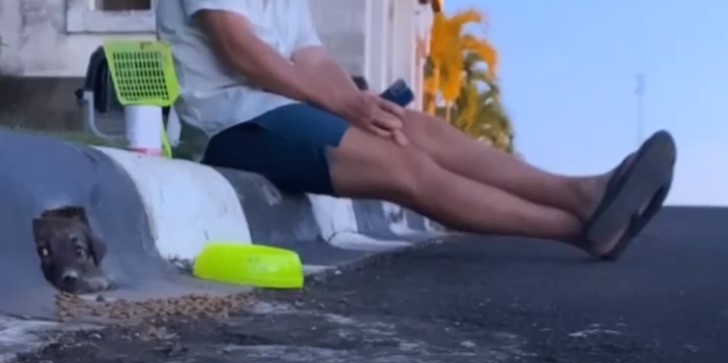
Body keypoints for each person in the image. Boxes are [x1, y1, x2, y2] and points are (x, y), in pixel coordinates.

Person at [156, 0, 676, 260]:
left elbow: (312, 61)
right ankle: (576, 231)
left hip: (281, 111)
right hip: (229, 124)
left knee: (413, 128)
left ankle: (583, 194)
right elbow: (237, 47)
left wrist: (361, 104)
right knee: (405, 166)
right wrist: (337, 103)